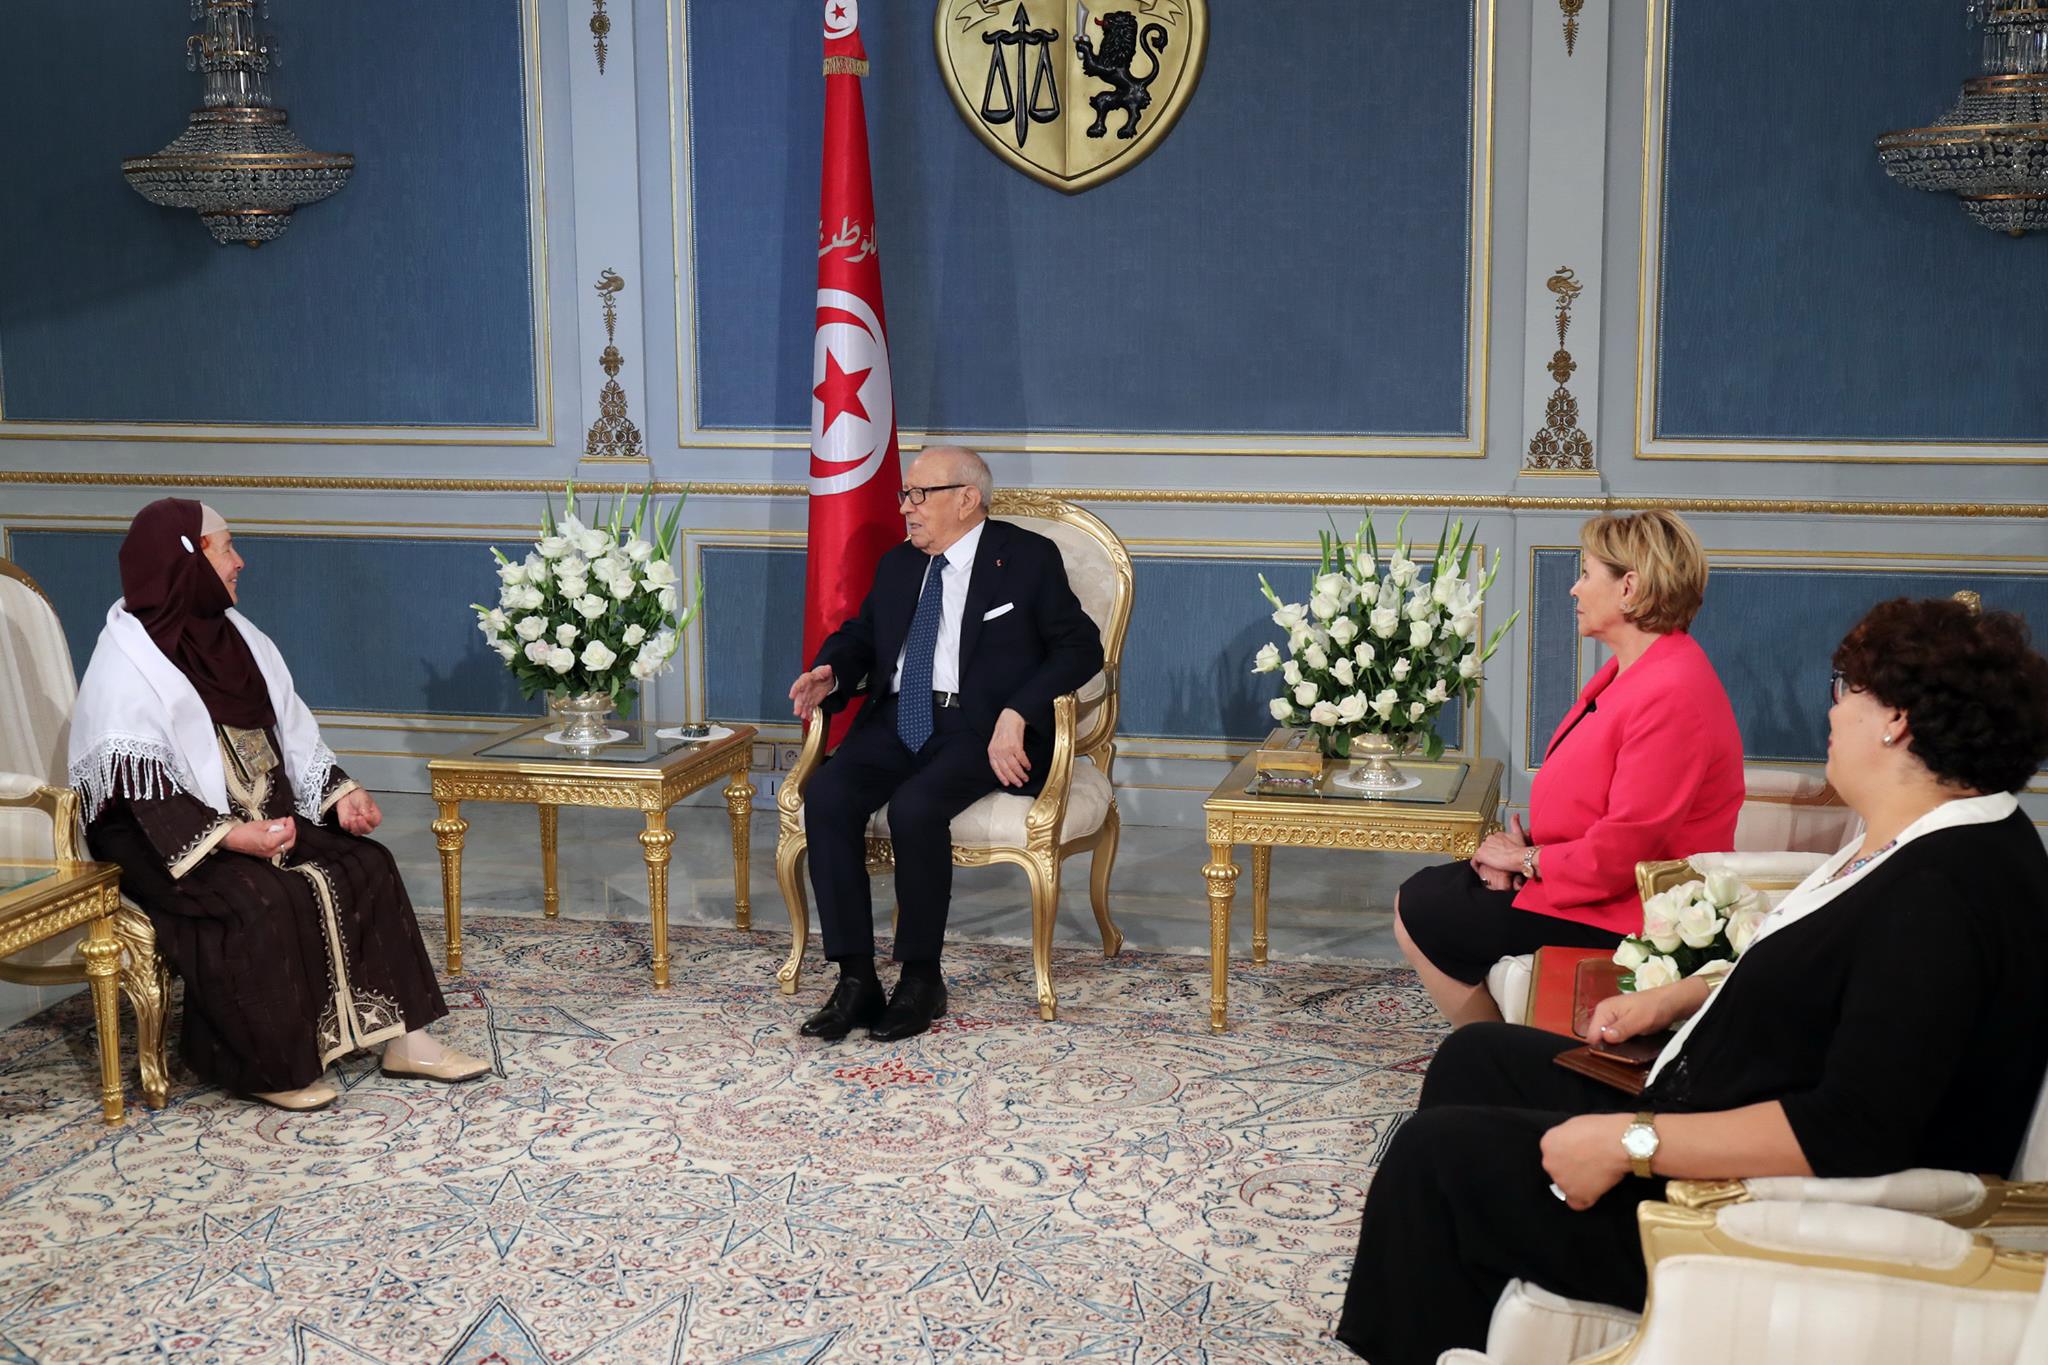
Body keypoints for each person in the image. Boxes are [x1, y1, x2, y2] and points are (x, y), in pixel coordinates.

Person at [1336, 596, 2048, 1365]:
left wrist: (1630, 1140)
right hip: (1714, 1105)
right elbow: (1841, 984)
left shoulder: (1943, 896)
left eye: (1845, 688)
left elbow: (1848, 1128)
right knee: (1476, 1058)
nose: (1833, 710)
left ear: (1896, 720)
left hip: (1748, 1202)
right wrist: (1681, 995)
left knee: (1434, 1161)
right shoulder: (1930, 841)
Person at [69, 499, 488, 1112]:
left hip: (258, 813)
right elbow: (135, 790)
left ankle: (407, 1040)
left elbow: (292, 734)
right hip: (163, 842)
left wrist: (341, 794)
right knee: (260, 897)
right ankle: (268, 1067)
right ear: (188, 560)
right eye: (227, 548)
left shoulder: (240, 639)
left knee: (367, 863)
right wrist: (230, 837)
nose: (240, 561)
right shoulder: (127, 662)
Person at [786, 446, 1104, 1042]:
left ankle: (920, 980)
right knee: (826, 795)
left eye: (918, 495)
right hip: (898, 718)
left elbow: (1080, 648)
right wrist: (832, 670)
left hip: (979, 727)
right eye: (905, 495)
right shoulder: (899, 564)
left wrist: (1018, 711)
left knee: (916, 808)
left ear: (966, 499)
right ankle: (856, 979)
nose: (906, 508)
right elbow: (863, 636)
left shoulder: (1027, 558)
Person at [1395, 510, 1745, 1026]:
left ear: (1629, 588)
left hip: (1631, 910)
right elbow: (1594, 799)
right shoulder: (1637, 669)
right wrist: (1523, 854)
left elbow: (1626, 846)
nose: (1573, 589)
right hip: (1586, 881)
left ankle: (1495, 1054)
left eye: (1585, 574)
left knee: (1425, 906)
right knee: (1429, 892)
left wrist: (1528, 861)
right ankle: (1492, 1050)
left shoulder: (1672, 692)